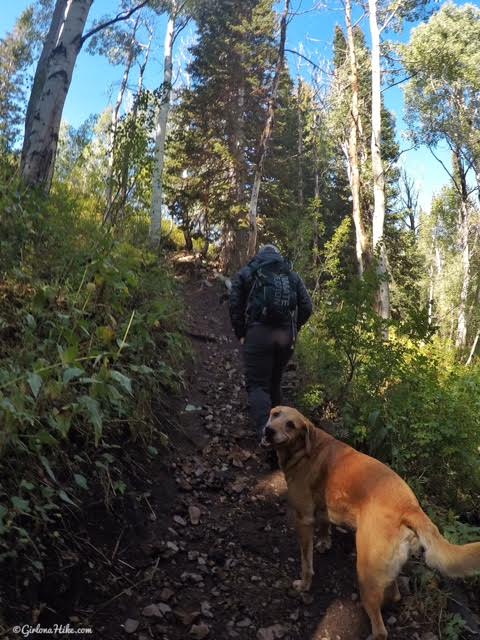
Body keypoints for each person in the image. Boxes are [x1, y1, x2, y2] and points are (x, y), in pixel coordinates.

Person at [229, 244, 312, 439]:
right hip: (285, 336)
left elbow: (234, 303)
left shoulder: (249, 271)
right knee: (275, 382)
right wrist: (294, 327)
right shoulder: (291, 274)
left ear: (260, 255)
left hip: (258, 334)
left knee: (258, 385)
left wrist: (241, 332)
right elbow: (307, 306)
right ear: (278, 256)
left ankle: (266, 436)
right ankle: (282, 435)